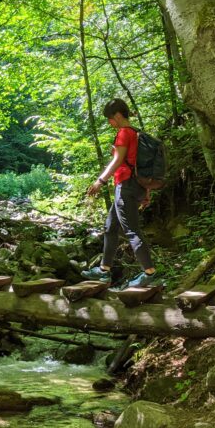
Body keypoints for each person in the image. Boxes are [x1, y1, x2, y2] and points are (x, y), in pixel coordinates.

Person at [82, 98, 159, 289]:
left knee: (132, 230)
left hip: (125, 186)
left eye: (110, 119)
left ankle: (149, 273)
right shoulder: (136, 134)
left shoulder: (124, 133)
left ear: (117, 115)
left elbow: (117, 161)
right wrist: (146, 192)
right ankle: (104, 272)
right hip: (135, 186)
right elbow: (140, 165)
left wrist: (100, 181)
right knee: (110, 227)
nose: (110, 123)